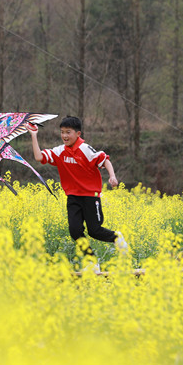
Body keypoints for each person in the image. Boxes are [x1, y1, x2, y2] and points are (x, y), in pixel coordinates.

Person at [27, 116, 127, 271]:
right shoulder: (60, 151)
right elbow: (39, 156)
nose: (65, 136)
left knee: (94, 231)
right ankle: (91, 263)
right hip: (73, 197)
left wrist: (112, 176)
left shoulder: (85, 149)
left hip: (90, 196)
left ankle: (117, 238)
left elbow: (104, 159)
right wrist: (34, 135)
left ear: (78, 133)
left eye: (68, 132)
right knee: (75, 231)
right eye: (62, 132)